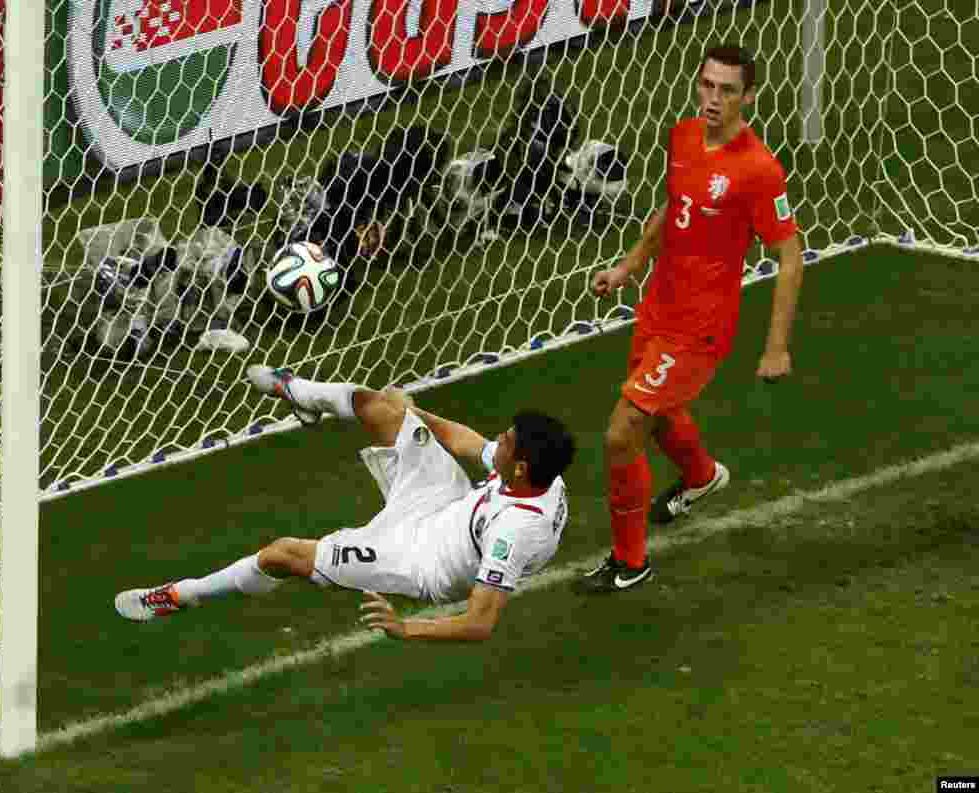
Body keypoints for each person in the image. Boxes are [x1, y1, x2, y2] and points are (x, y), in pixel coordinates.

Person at [575, 44, 804, 593]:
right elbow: (671, 206)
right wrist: (630, 263)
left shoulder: (758, 169)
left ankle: (630, 563)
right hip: (659, 307)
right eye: (707, 85)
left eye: (727, 90)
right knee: (661, 411)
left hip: (701, 325)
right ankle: (702, 477)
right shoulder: (681, 136)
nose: (713, 99)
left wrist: (776, 346)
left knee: (623, 432)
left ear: (749, 97)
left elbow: (790, 253)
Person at [115, 367, 575, 641]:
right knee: (376, 406)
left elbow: (480, 622)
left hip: (419, 561)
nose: (499, 439)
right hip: (446, 505)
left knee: (283, 553)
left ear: (521, 467)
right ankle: (296, 392)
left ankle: (180, 595)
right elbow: (462, 439)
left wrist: (405, 628)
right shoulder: (534, 475)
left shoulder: (514, 532)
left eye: (508, 441)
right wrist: (412, 414)